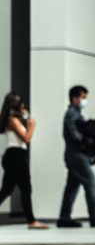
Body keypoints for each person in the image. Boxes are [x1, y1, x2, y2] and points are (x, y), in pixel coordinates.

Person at [57, 85, 95, 228]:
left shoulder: (76, 114)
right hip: (77, 157)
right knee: (90, 183)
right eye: (83, 97)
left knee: (71, 188)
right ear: (74, 98)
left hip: (75, 156)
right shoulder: (72, 114)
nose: (85, 100)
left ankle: (64, 218)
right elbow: (77, 137)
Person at [0, 93, 47, 229]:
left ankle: (31, 221)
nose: (23, 105)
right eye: (20, 103)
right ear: (15, 104)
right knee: (26, 188)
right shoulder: (12, 120)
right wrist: (32, 126)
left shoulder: (14, 119)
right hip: (16, 156)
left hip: (15, 155)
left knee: (7, 190)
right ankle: (31, 221)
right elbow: (26, 138)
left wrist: (26, 118)